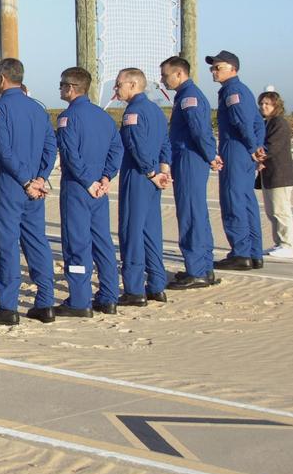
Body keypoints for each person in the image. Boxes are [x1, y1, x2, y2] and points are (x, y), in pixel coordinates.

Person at [0, 58, 57, 325]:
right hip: (35, 184)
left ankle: (7, 305)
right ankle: (45, 302)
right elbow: (50, 147)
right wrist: (40, 178)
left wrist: (25, 180)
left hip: (13, 184)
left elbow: (3, 149)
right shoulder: (38, 109)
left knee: (7, 243)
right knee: (37, 241)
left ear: (2, 79)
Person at [54, 68, 122, 316]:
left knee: (76, 243)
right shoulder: (104, 117)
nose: (60, 89)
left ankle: (80, 300)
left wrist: (89, 181)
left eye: (62, 85)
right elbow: (117, 149)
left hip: (78, 188)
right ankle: (109, 295)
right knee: (102, 241)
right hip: (98, 188)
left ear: (71, 88)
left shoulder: (67, 117)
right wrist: (106, 177)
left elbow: (70, 154)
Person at [114, 68, 172, 307]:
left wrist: (151, 172)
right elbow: (165, 142)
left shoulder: (134, 112)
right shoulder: (156, 110)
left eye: (119, 85)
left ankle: (134, 288)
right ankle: (157, 284)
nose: (116, 89)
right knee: (151, 231)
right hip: (154, 176)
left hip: (138, 176)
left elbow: (137, 147)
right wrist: (164, 170)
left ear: (133, 85)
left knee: (131, 232)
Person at [161, 56, 219, 290]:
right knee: (197, 213)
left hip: (189, 158)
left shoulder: (189, 97)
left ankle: (197, 270)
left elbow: (199, 130)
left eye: (165, 75)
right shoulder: (185, 96)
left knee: (191, 213)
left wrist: (210, 155)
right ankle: (204, 267)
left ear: (179, 74)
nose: (163, 80)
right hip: (190, 157)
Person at [207, 51, 267, 270]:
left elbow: (242, 122)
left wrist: (252, 147)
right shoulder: (244, 90)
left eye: (217, 67)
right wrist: (258, 148)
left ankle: (240, 253)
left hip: (235, 149)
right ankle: (254, 253)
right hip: (244, 150)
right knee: (246, 200)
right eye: (212, 68)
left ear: (233, 68)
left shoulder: (232, 91)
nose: (213, 71)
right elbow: (258, 123)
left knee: (233, 201)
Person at [257, 90, 293, 259]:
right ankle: (279, 243)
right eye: (262, 103)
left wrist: (257, 156)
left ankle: (287, 245)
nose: (263, 106)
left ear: (276, 105)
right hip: (269, 174)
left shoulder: (279, 123)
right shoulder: (267, 122)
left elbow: (272, 147)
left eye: (267, 103)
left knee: (281, 210)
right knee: (272, 211)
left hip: (280, 174)